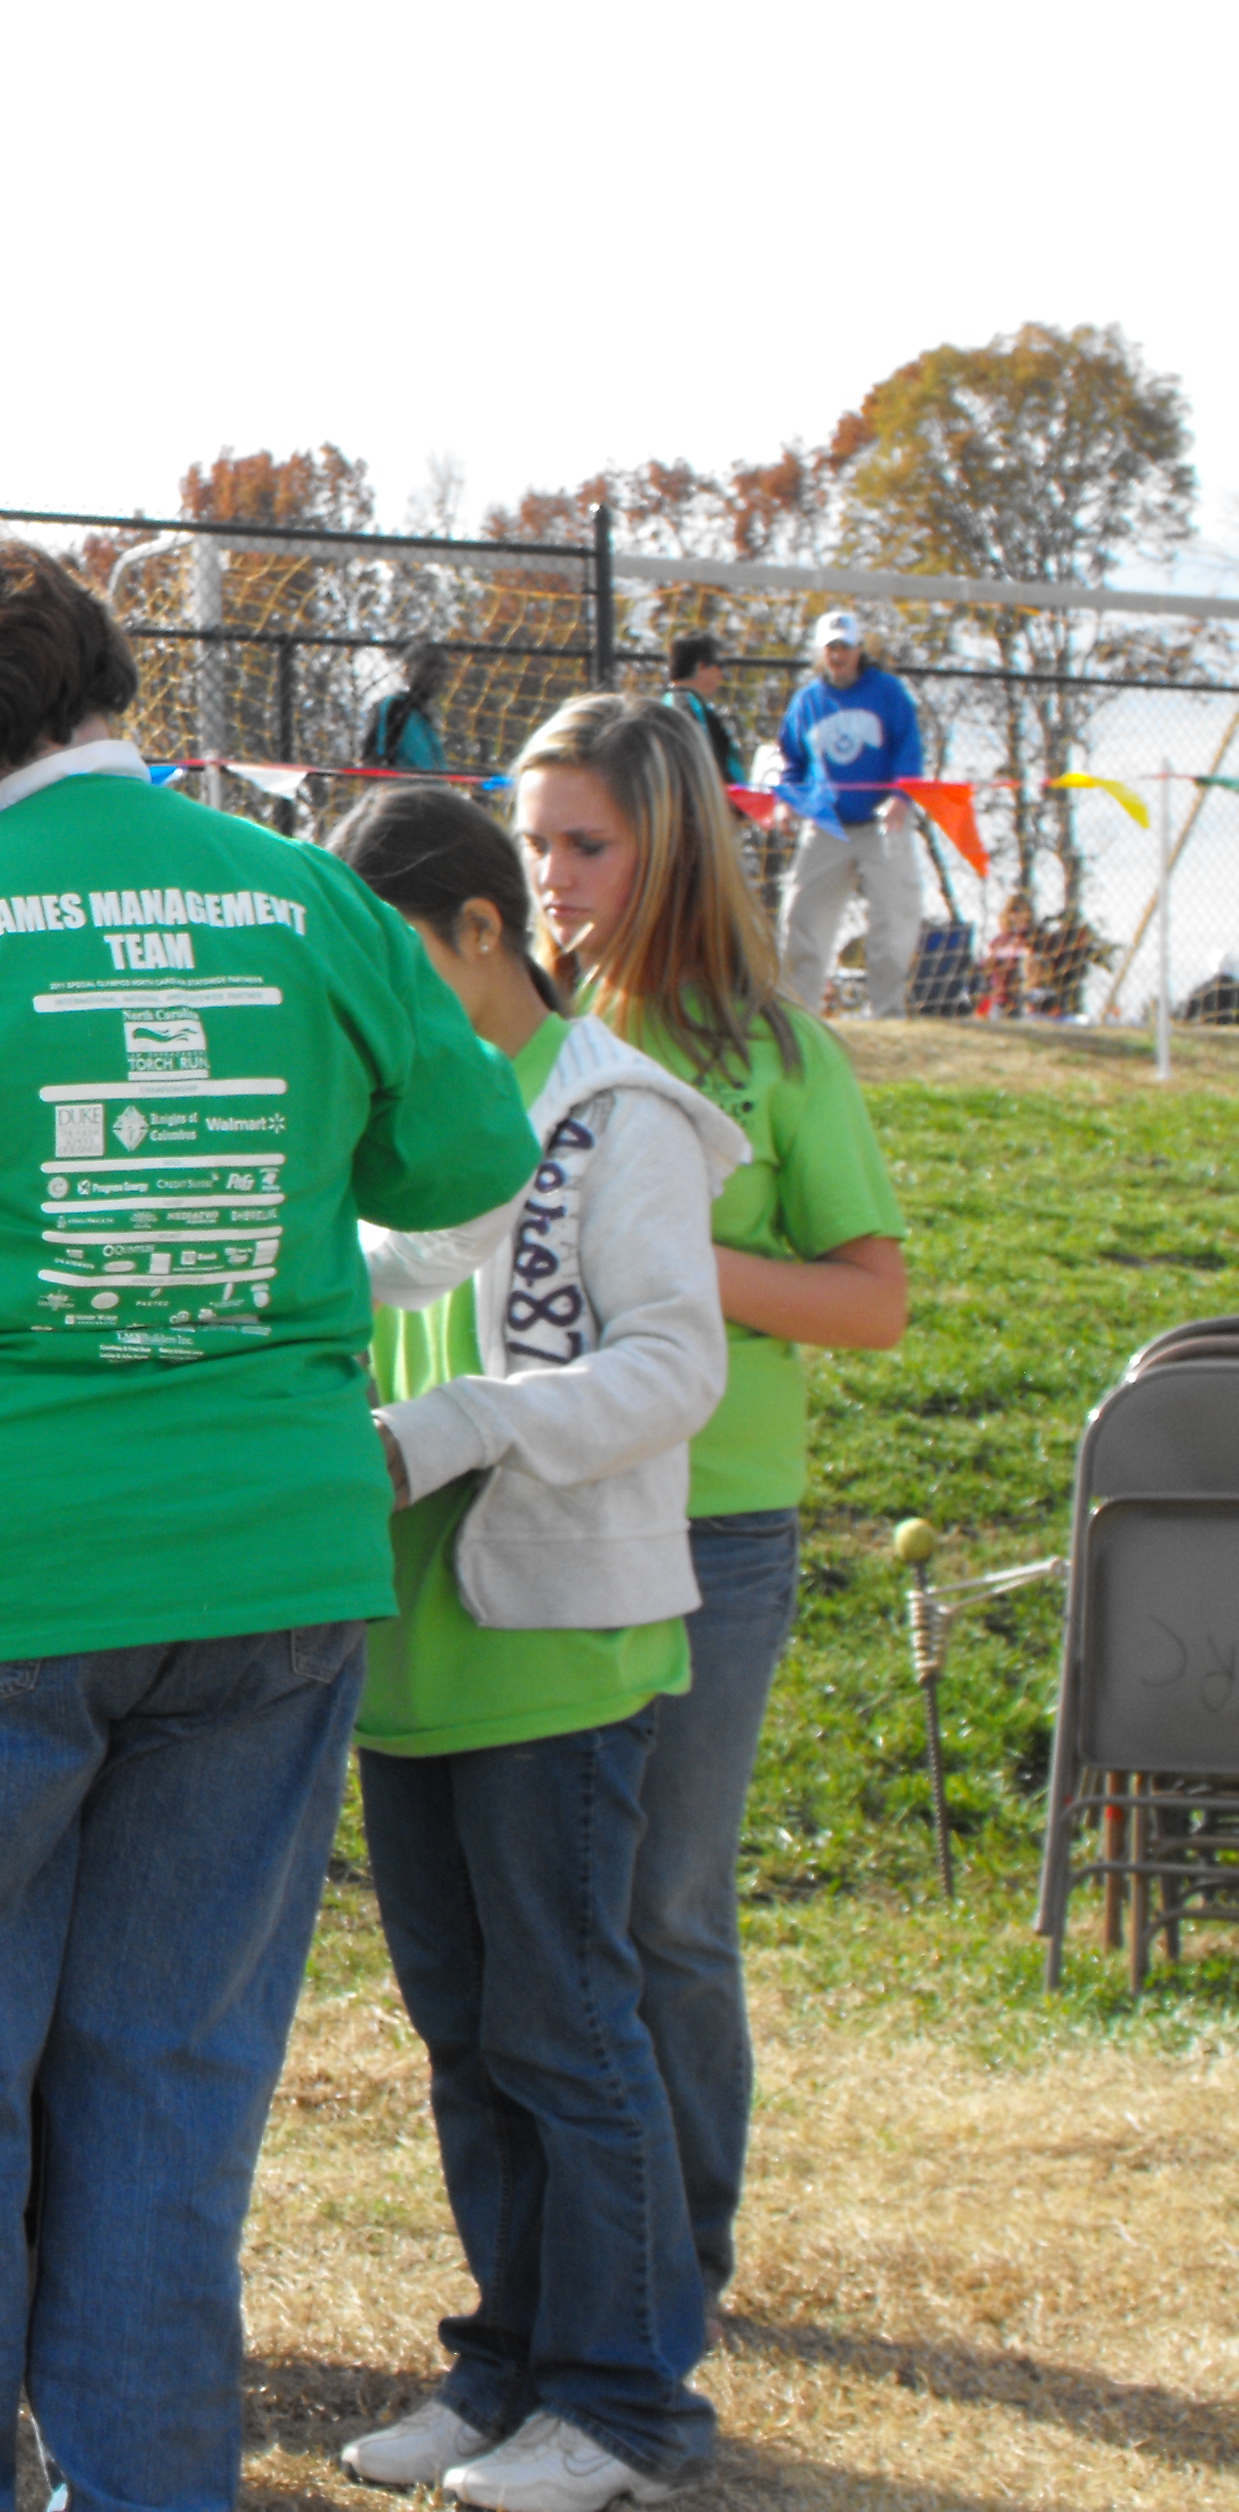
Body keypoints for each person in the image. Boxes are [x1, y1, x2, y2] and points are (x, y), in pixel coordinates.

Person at [0, 523, 536, 2512]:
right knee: (171, 2091)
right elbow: (475, 1166)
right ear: (98, 690)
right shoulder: (311, 900)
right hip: (265, 1563)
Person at [321, 781, 744, 2511]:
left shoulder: (618, 1113)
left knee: (568, 2032)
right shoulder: (402, 1109)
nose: (376, 1007)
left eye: (395, 962)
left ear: (480, 932)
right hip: (411, 1658)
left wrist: (452, 1427)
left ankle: (624, 2403)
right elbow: (393, 1273)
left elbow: (674, 1365)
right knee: (462, 2035)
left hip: (559, 1644)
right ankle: (501, 2366)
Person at [510, 692, 906, 2342]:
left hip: (712, 1529)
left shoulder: (772, 1049)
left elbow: (869, 1303)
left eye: (582, 844)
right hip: (521, 1512)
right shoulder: (504, 1034)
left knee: (662, 1907)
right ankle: (562, 2257)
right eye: (529, 844)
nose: (549, 880)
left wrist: (667, 1261)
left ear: (667, 843)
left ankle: (684, 2259)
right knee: (546, 1919)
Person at [771, 611, 926, 1017]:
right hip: (827, 826)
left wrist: (901, 795)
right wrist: (786, 801)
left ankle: (888, 1015)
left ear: (860, 650)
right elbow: (791, 762)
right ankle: (800, 1017)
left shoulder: (888, 692)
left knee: (892, 922)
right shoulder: (807, 701)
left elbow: (909, 748)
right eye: (830, 648)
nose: (837, 655)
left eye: (845, 647)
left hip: (882, 823)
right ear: (820, 653)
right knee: (802, 918)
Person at [659, 636, 744, 788]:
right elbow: (692, 761)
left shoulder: (687, 703)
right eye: (719, 665)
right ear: (701, 666)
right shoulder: (682, 705)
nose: (722, 674)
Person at [363, 639, 454, 776]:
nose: (437, 673)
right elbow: (373, 759)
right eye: (429, 666)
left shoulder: (425, 717)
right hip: (404, 790)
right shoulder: (395, 707)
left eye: (442, 668)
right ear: (407, 669)